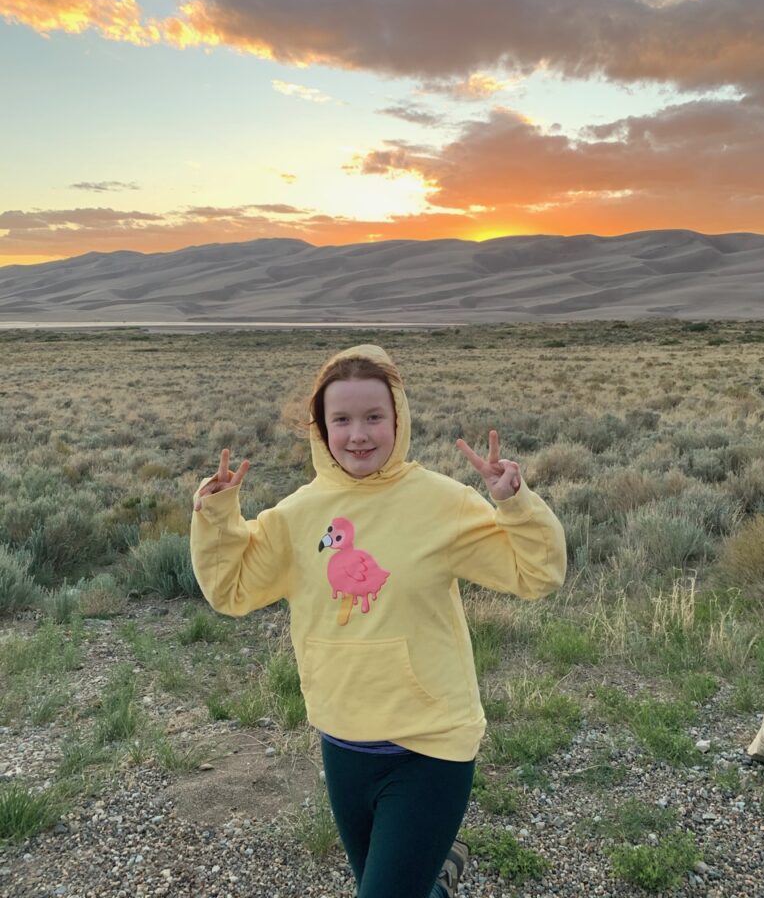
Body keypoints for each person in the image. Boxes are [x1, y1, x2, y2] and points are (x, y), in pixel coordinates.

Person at [190, 343, 567, 898]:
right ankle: (437, 878)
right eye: (341, 419)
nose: (358, 435)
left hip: (429, 746)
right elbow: (231, 588)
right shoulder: (298, 515)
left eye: (374, 417)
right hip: (342, 740)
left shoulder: (441, 502)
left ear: (398, 420)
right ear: (321, 429)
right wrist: (218, 516)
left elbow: (536, 574)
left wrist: (515, 504)